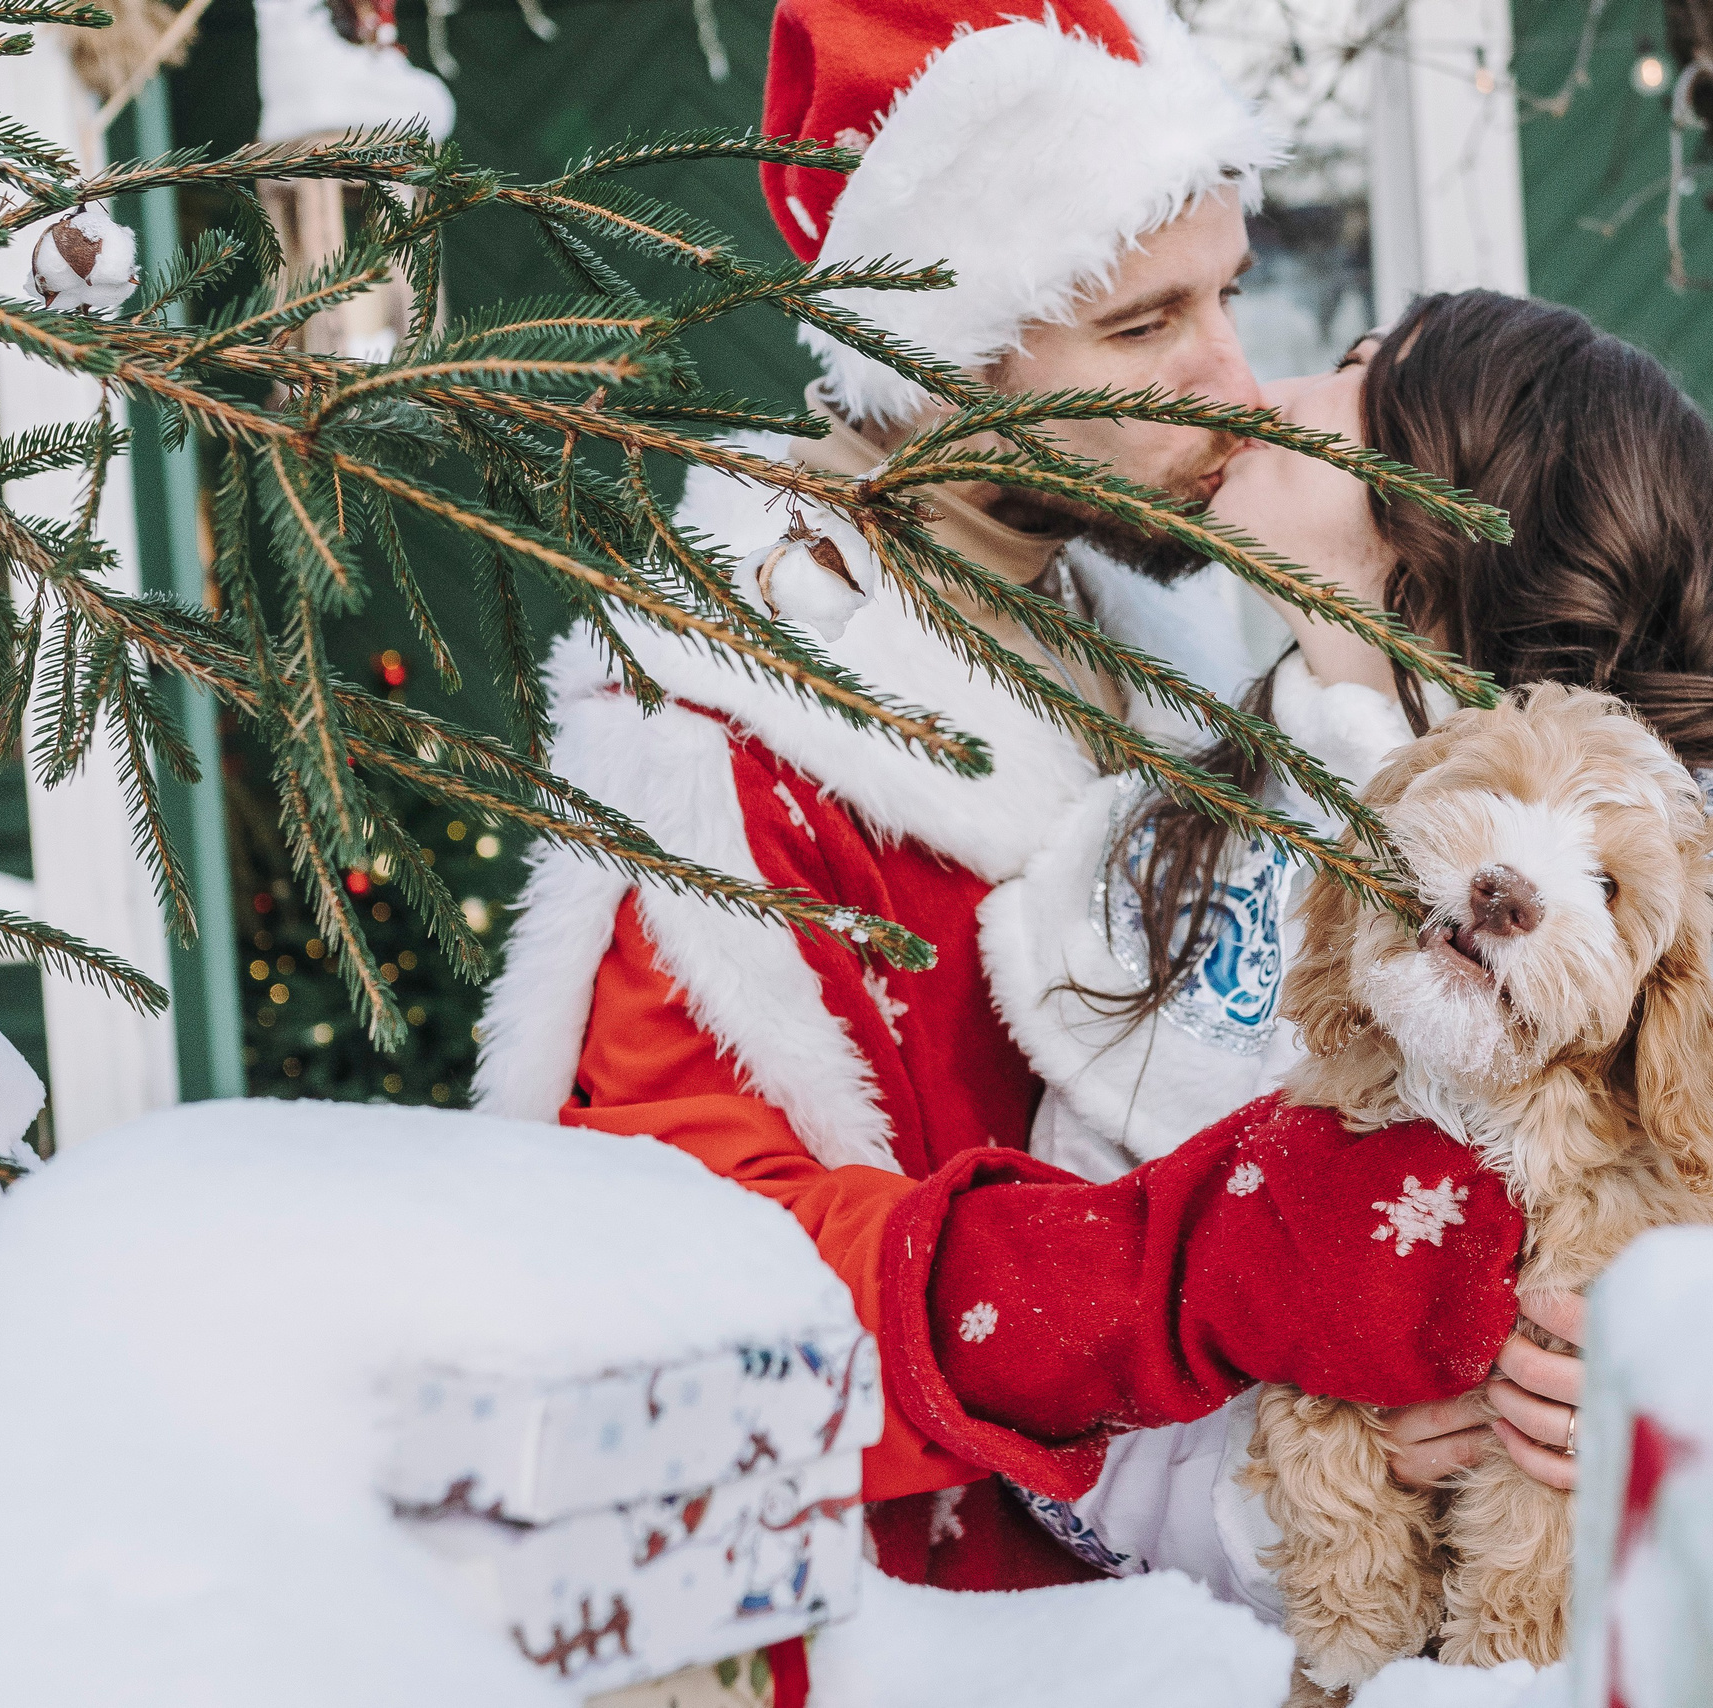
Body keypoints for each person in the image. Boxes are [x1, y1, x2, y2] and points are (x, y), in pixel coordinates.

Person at [471, 0, 1528, 1619]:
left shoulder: (1160, 666)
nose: (1235, 381)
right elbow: (676, 1294)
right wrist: (1185, 1275)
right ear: (939, 345)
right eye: (1141, 327)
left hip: (1208, 1600)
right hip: (936, 1635)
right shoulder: (729, 737)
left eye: (1230, 296)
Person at [981, 290, 1713, 1618]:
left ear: (1467, 521)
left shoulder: (1711, 898)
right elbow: (1069, 1397)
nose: (1269, 384)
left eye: (1364, 370)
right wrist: (1289, 1478)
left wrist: (1695, 1412)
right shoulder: (1174, 866)